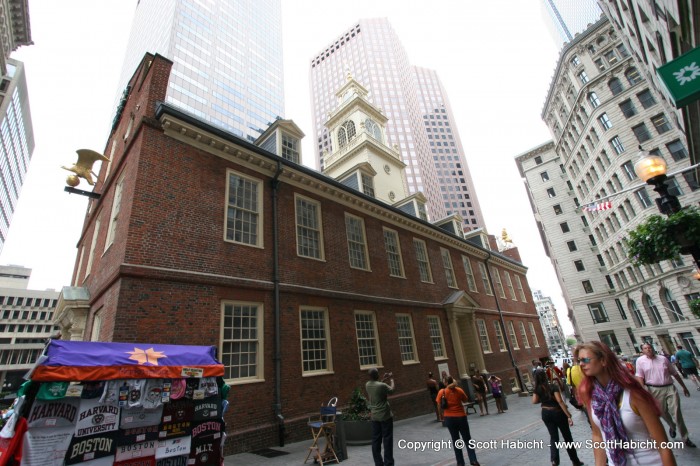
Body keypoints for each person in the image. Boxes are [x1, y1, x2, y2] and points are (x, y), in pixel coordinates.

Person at [577, 341, 677, 465]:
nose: (581, 364)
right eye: (579, 361)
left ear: (603, 360)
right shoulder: (592, 397)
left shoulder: (634, 395)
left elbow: (663, 445)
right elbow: (597, 436)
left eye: (585, 360)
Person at [635, 342, 696, 448]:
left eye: (649, 347)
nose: (648, 349)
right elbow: (640, 376)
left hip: (669, 388)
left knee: (676, 413)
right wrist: (642, 390)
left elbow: (675, 373)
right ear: (643, 351)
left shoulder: (663, 359)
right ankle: (672, 426)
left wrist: (684, 387)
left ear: (652, 348)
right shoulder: (640, 361)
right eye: (645, 348)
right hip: (653, 389)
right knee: (662, 413)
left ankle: (685, 438)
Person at [532, 369, 584, 466]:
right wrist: (568, 415)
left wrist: (544, 399)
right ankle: (575, 461)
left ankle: (554, 460)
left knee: (553, 437)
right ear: (545, 376)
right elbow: (560, 401)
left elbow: (534, 401)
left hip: (545, 413)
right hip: (557, 412)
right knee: (567, 437)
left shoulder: (537, 389)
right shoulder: (552, 386)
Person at [436, 376, 480, 466]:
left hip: (449, 418)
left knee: (456, 440)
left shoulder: (442, 392)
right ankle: (473, 460)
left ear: (445, 383)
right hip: (461, 417)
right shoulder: (459, 390)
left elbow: (439, 405)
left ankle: (460, 463)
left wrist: (441, 416)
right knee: (467, 439)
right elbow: (465, 399)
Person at [366, 368, 395, 466]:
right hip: (385, 416)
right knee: (387, 440)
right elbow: (392, 390)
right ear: (377, 375)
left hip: (374, 417)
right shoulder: (381, 385)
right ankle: (389, 463)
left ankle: (378, 463)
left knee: (375, 441)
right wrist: (391, 379)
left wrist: (384, 379)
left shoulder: (368, 385)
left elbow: (377, 385)